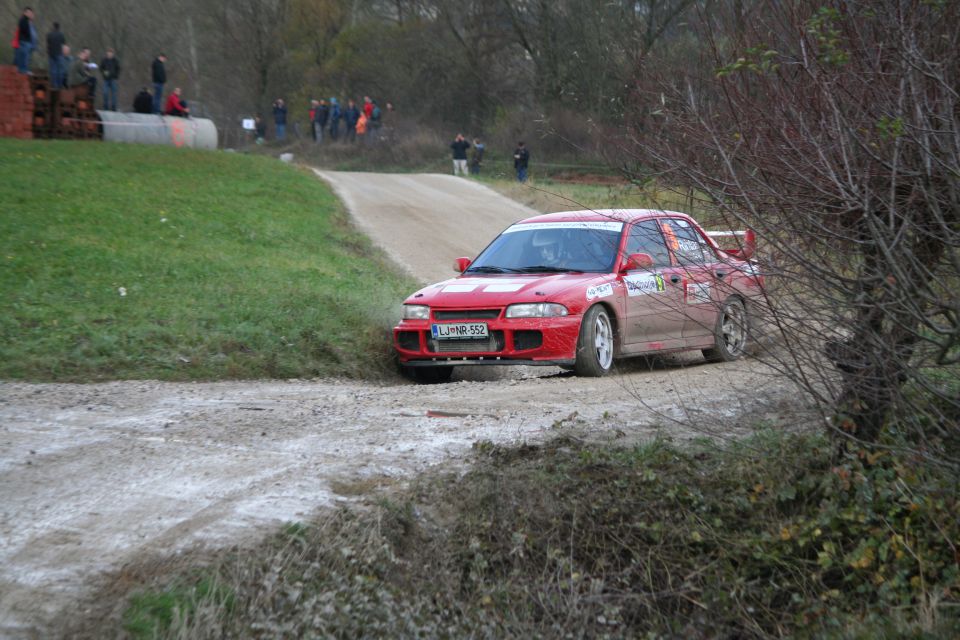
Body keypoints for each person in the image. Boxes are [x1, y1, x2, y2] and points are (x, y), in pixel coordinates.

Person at [12, 7, 36, 75]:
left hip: (28, 42)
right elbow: (23, 31)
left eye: (31, 13)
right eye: (28, 13)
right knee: (23, 57)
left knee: (26, 58)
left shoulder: (28, 22)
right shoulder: (23, 20)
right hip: (24, 41)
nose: (30, 14)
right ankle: (22, 70)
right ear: (24, 12)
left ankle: (23, 70)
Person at [45, 21, 65, 87]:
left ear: (53, 27)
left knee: (53, 70)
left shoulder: (49, 35)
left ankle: (54, 85)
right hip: (59, 54)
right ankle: (60, 85)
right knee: (60, 70)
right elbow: (63, 44)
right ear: (59, 27)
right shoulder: (61, 35)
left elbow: (48, 44)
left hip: (51, 54)